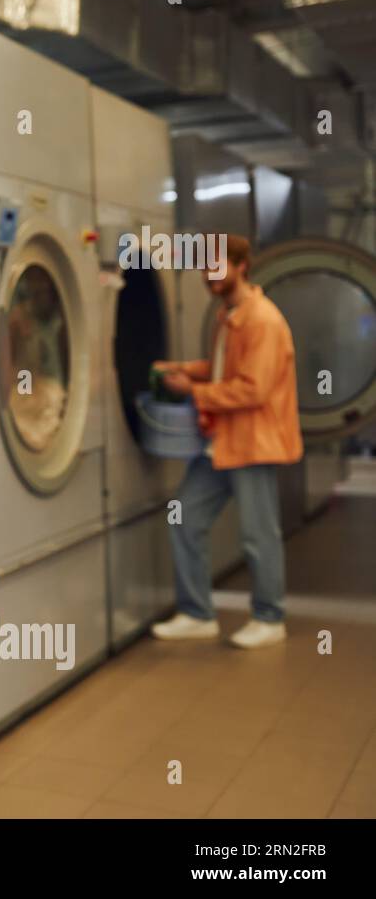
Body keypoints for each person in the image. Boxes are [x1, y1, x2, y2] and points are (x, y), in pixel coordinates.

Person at [150, 233, 302, 649]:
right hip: (222, 442)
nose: (209, 274)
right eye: (204, 267)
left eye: (217, 265)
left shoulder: (261, 320)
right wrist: (183, 368)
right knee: (183, 518)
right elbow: (223, 368)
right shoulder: (230, 314)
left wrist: (191, 391)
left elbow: (252, 388)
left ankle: (270, 619)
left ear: (241, 267)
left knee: (258, 534)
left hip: (252, 443)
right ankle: (197, 613)